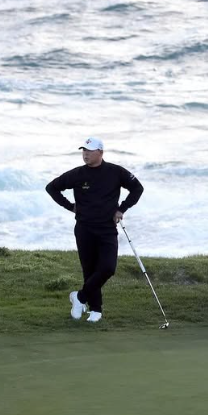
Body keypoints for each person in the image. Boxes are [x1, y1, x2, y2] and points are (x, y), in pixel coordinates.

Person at [46, 137, 144, 323]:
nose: (85, 154)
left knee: (108, 268)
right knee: (89, 270)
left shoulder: (115, 172)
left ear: (100, 152)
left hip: (107, 229)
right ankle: (95, 310)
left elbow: (137, 188)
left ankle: (79, 297)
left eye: (89, 151)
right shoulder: (77, 174)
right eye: (84, 150)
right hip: (84, 229)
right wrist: (70, 206)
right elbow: (51, 188)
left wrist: (122, 209)